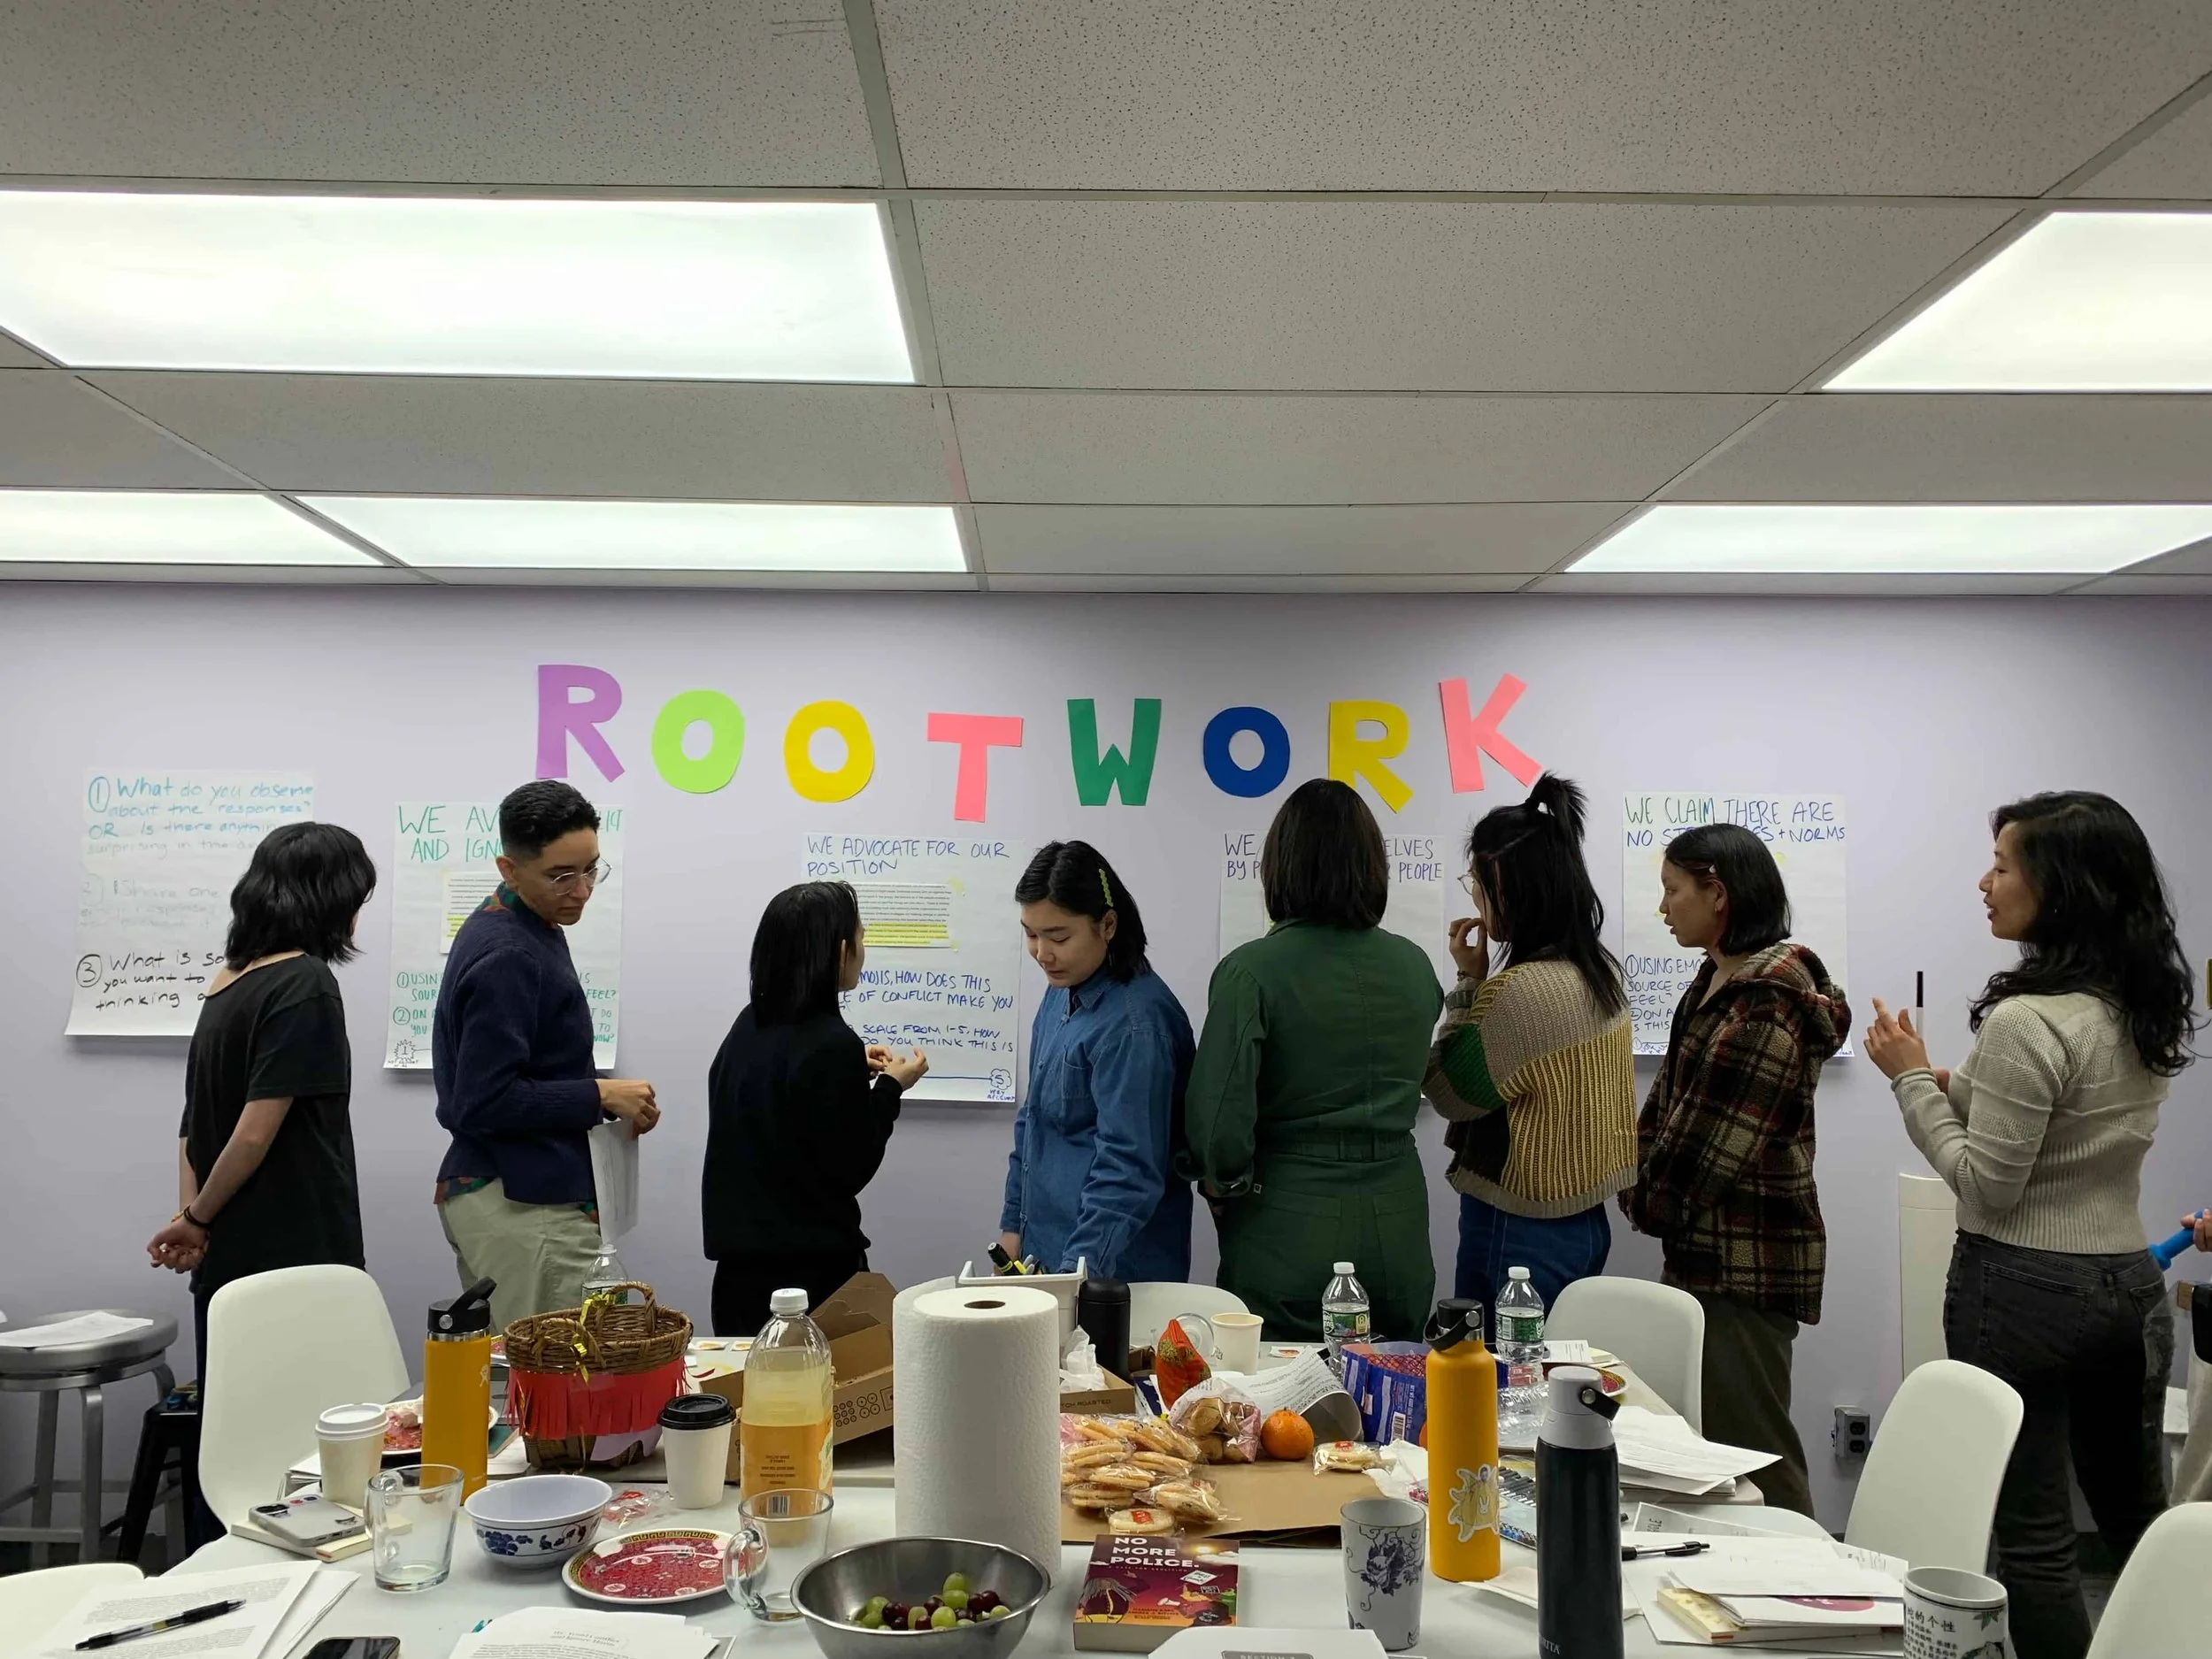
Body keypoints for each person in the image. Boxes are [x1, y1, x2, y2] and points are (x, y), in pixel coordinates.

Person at [1865, 792, 2192, 1659]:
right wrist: (1951, 1085)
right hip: (2126, 1286)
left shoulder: (2026, 1018)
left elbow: (1986, 1185)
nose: (1984, 881)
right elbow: (2073, 1133)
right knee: (2138, 1524)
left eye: (2003, 865)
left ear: (2063, 884)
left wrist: (1906, 1082)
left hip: (2020, 1290)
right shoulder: (2133, 1002)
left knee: (2035, 1540)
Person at [144, 821, 376, 1542]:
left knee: (234, 1433)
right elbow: (254, 1127)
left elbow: (191, 1128)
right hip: (296, 1242)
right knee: (308, 1451)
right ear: (330, 898)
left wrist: (194, 1216)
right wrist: (201, 1217)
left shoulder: (224, 986)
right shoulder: (304, 982)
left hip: (231, 1251)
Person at [1620, 823, 1848, 1518]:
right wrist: (1643, 1181)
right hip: (1707, 1254)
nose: (1664, 908)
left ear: (1717, 894)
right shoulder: (1717, 979)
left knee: (1755, 1457)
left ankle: (1813, 1598)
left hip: (1743, 1264)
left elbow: (1706, 1150)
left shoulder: (1765, 1001)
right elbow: (1665, 1111)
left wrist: (1644, 1196)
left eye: (1673, 890)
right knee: (1711, 1451)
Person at [1183, 779, 1444, 1340]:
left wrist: (1220, 1186)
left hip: (1285, 1225)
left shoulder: (1250, 971)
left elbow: (1219, 1119)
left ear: (1279, 866)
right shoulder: (1415, 966)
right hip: (1397, 1220)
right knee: (1394, 1400)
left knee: (1281, 1411)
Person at [433, 780, 659, 1333]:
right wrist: (600, 1093)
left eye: (591, 869)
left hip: (522, 1192)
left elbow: (529, 1072)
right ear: (509, 868)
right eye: (561, 875)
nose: (582, 890)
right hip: (517, 1198)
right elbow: (483, 1102)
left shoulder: (527, 925)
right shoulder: (509, 951)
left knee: (566, 1386)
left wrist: (601, 1096)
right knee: (558, 1389)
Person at [1424, 774, 1636, 1316]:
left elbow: (1449, 1091)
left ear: (1508, 886)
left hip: (1519, 1226)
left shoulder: (1523, 991)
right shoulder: (1596, 971)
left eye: (1477, 883)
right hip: (1582, 1220)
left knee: (1502, 1383)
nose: (1474, 896)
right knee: (1546, 1375)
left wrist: (1467, 987)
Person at [704, 880, 926, 1337]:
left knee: (756, 1405)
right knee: (817, 1404)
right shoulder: (831, 1041)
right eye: (861, 937)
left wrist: (848, 1077)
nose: (864, 950)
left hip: (738, 1280)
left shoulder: (749, 1025)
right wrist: (889, 1089)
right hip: (811, 1283)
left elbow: (780, 1107)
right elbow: (851, 1166)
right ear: (842, 951)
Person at [1001, 841, 1196, 1282]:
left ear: (1107, 925)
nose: (1042, 953)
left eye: (1059, 937)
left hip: (1111, 1272)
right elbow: (1032, 1121)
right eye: (1031, 934)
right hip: (1048, 1253)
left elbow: (1128, 1171)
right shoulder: (1061, 991)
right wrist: (1013, 1226)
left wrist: (1076, 1274)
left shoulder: (1135, 1024)